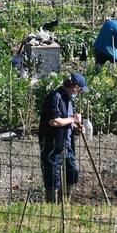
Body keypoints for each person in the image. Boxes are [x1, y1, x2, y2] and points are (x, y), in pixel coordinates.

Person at [38, 73, 87, 203]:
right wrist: (73, 119)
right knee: (53, 176)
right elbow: (53, 121)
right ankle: (52, 206)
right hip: (53, 144)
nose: (81, 92)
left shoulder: (69, 100)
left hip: (67, 145)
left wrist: (77, 128)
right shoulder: (55, 97)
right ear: (74, 86)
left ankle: (64, 203)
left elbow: (68, 122)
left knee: (72, 173)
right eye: (80, 89)